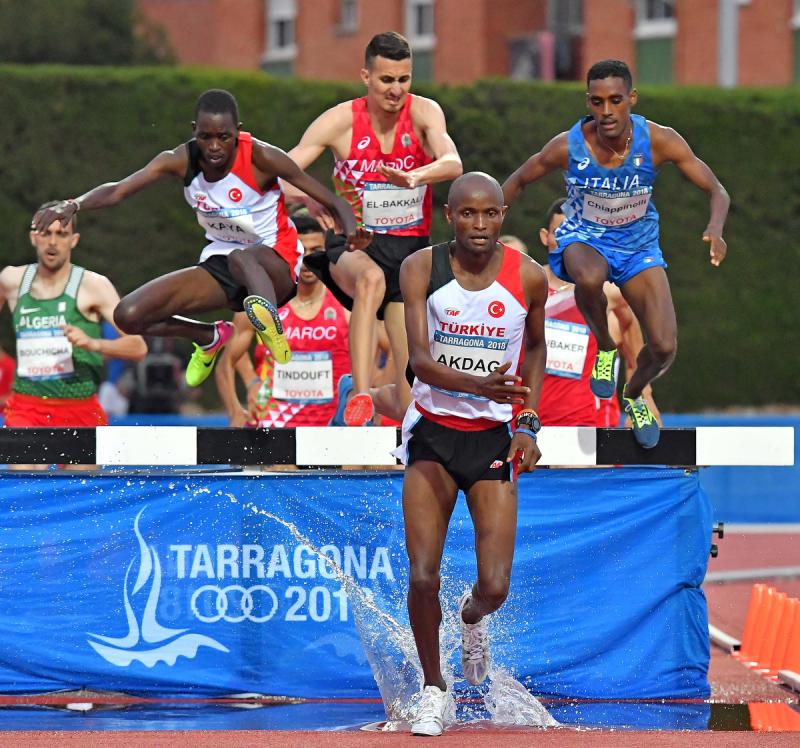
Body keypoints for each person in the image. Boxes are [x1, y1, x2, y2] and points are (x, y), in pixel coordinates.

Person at [32, 89, 367, 391]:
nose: (215, 147)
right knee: (129, 315)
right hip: (221, 263)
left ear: (238, 131)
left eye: (224, 137)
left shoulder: (262, 157)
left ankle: (271, 328)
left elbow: (332, 200)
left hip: (275, 266)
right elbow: (119, 189)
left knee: (244, 257)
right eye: (206, 137)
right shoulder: (180, 160)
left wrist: (352, 232)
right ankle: (208, 337)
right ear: (195, 131)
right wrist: (73, 204)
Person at [502, 59, 729, 447]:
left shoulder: (659, 140)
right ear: (588, 102)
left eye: (615, 101)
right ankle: (605, 348)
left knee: (663, 347)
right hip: (584, 238)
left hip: (638, 247)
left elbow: (717, 190)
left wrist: (715, 228)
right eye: (597, 101)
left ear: (632, 100)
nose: (606, 112)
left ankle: (633, 392)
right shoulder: (569, 145)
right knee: (588, 278)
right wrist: (486, 224)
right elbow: (519, 179)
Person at [395, 173, 547, 736]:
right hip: (433, 433)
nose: (478, 226)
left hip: (490, 438)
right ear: (449, 216)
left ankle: (471, 618)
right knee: (421, 573)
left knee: (496, 585)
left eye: (489, 215)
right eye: (467, 215)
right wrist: (478, 386)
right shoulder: (420, 269)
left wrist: (527, 422)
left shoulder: (528, 277)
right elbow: (419, 360)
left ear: (503, 215)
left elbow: (535, 347)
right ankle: (435, 689)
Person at [285, 31, 463, 426]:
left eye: (404, 79)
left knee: (410, 403)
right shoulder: (339, 122)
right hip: (353, 245)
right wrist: (313, 199)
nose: (396, 90)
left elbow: (453, 162)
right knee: (369, 281)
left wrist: (414, 178)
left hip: (408, 255)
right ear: (366, 76)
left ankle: (357, 391)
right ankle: (362, 393)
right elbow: (282, 175)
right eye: (386, 80)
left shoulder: (424, 113)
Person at [0, 202, 147, 469]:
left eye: (61, 234)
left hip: (79, 408)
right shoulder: (10, 280)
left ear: (74, 240)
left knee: (82, 500)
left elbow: (138, 347)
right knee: (28, 489)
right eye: (45, 233)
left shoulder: (94, 286)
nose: (52, 242)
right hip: (27, 407)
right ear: (34, 237)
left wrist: (93, 343)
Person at [501, 200, 660, 427]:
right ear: (545, 237)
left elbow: (636, 356)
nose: (568, 242)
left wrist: (644, 396)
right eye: (560, 233)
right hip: (526, 422)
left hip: (587, 426)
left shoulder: (609, 294)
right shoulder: (524, 286)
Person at [215, 215, 351, 428]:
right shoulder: (263, 301)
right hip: (276, 421)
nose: (307, 260)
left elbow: (389, 350)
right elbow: (227, 361)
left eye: (316, 251)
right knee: (280, 463)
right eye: (301, 251)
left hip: (332, 424)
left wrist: (369, 392)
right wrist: (236, 407)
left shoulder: (345, 302)